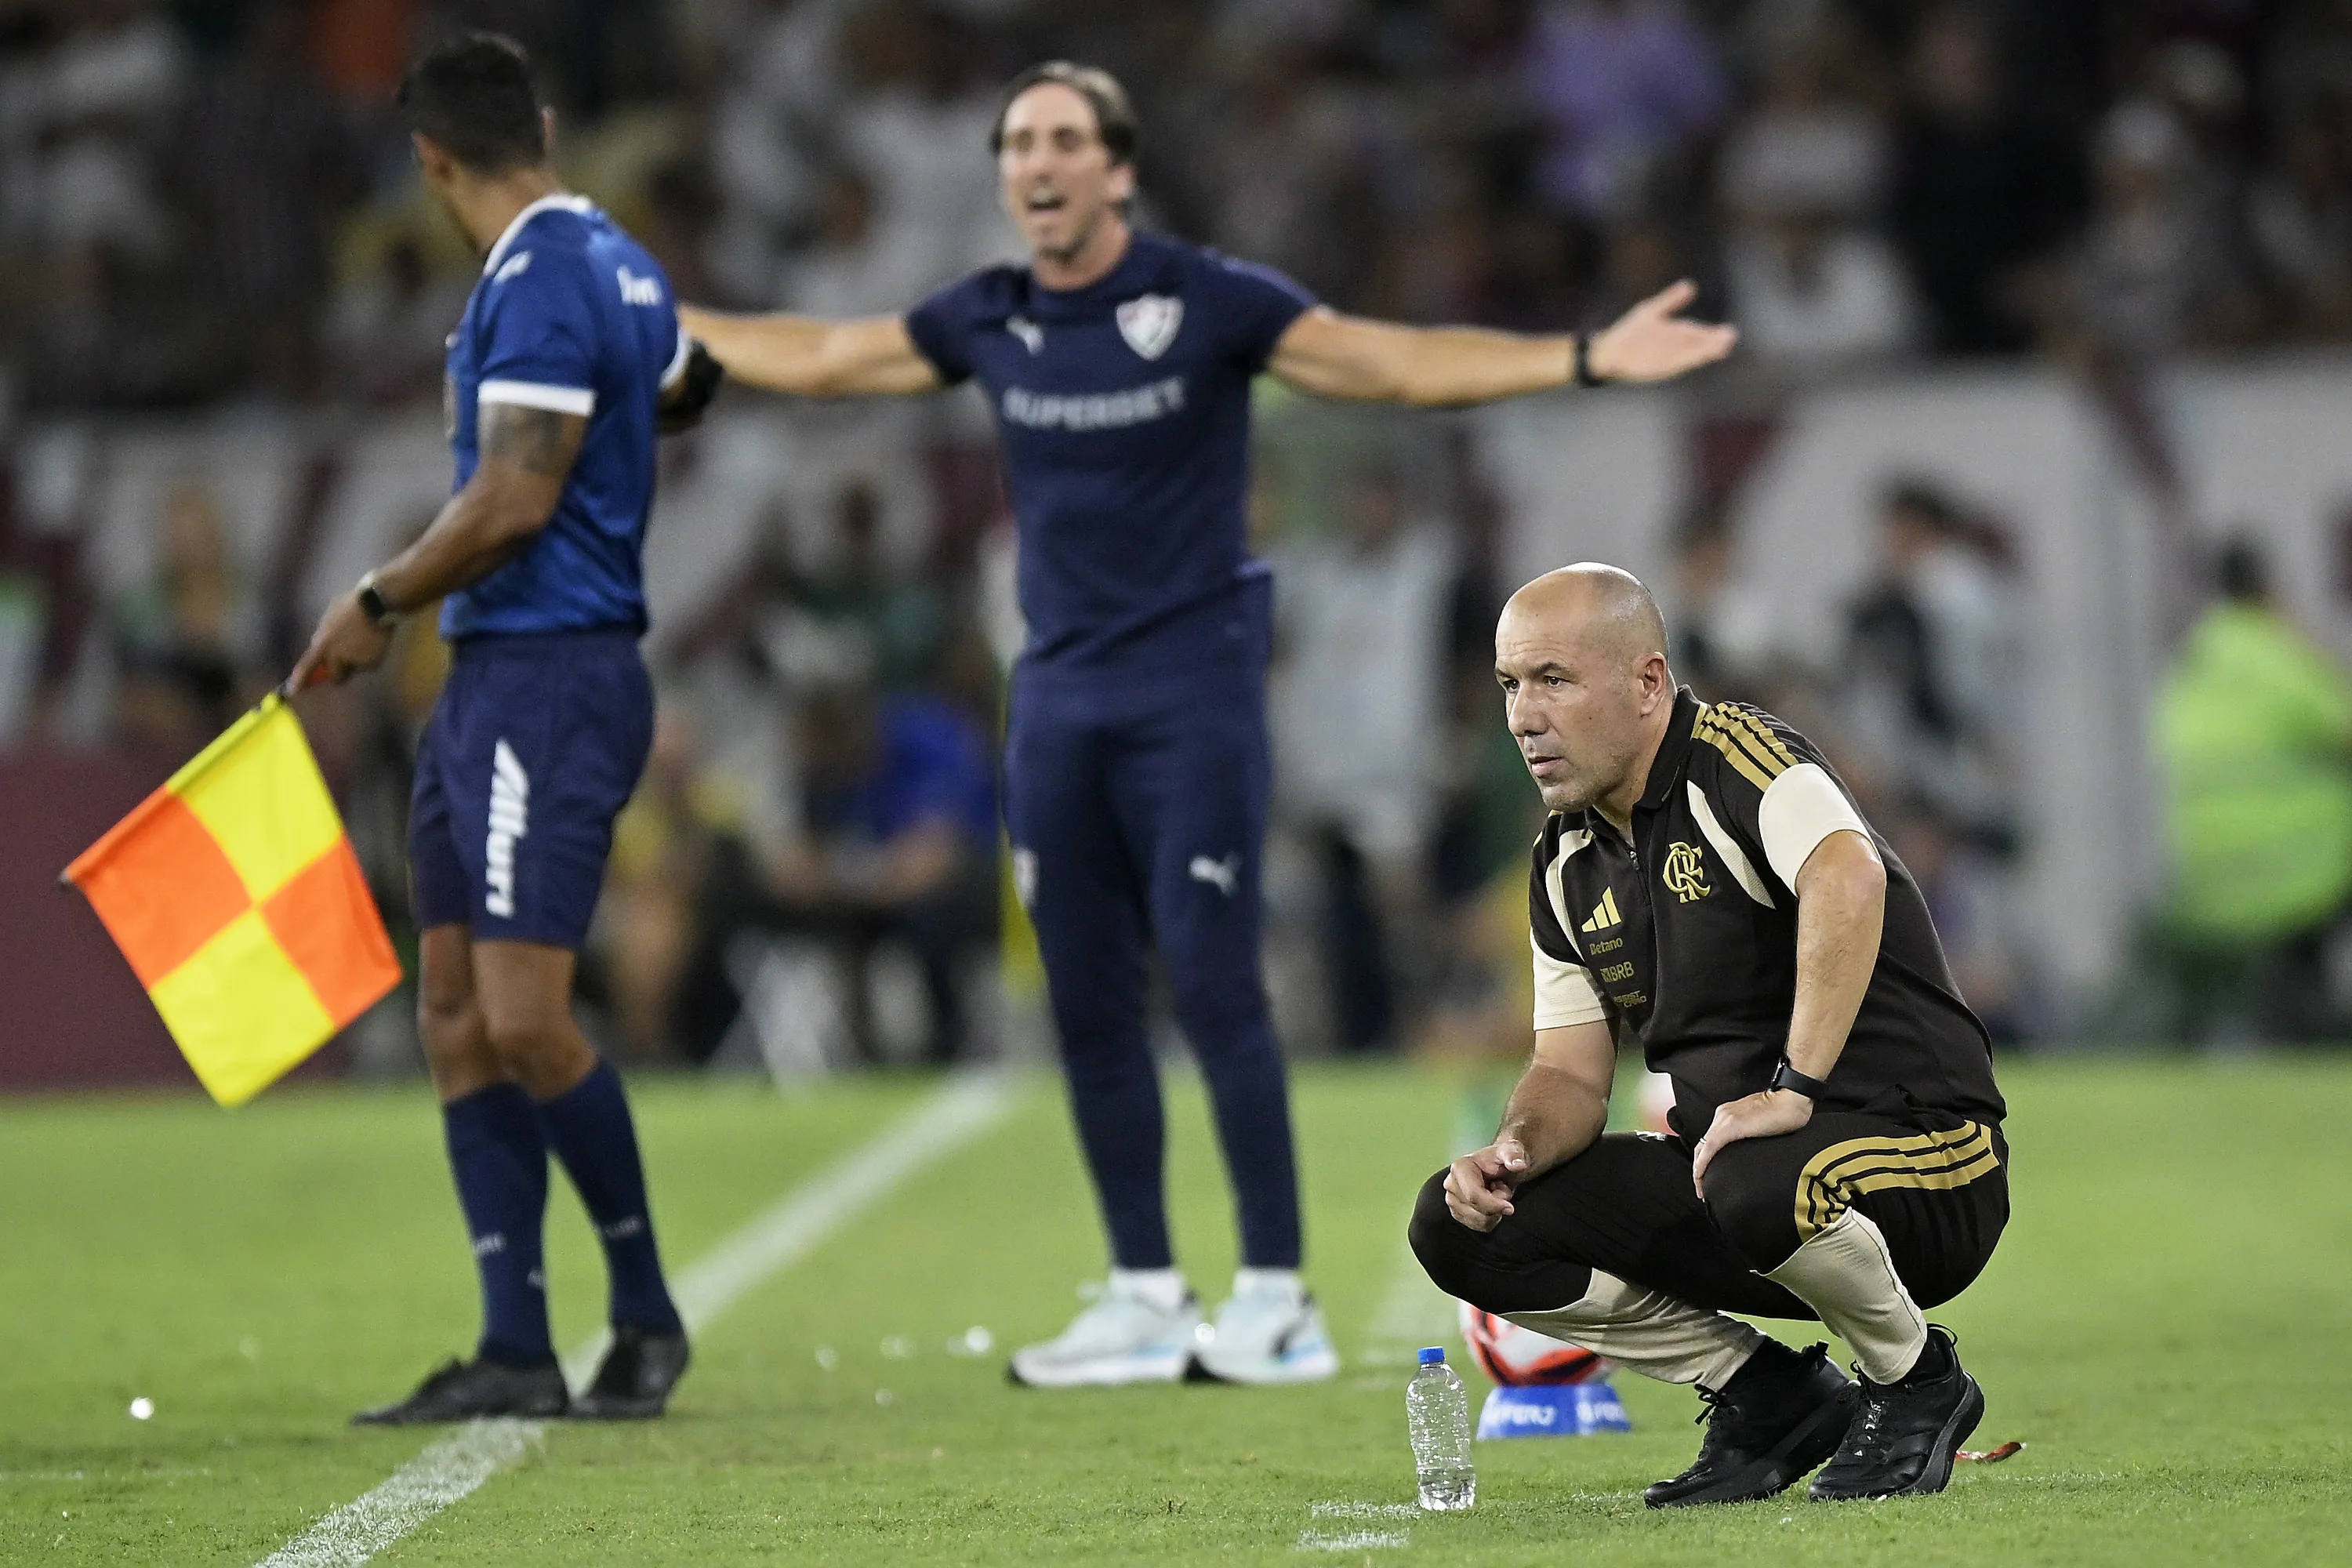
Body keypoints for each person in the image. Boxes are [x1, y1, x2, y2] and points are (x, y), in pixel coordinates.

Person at [681, 61, 1736, 1388]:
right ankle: (1137, 1290)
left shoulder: (1202, 302)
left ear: (1118, 169)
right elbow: (827, 354)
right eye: (1019, 143)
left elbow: (1388, 362)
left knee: (1217, 982)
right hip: (1056, 697)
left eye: (1066, 139)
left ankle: (1276, 1294)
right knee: (1089, 997)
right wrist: (654, 320)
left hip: (1192, 694)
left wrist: (1582, 356)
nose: (1039, 162)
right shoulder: (991, 316)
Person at [290, 31, 720, 1424]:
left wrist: (376, 598)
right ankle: (515, 1347)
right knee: (455, 1011)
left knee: (528, 1018)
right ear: (539, 122)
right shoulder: (617, 259)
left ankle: (646, 1319)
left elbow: (516, 498)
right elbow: (685, 381)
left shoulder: (537, 279)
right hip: (497, 679)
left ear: (428, 163)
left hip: (546, 672)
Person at [1410, 564, 2007, 1505]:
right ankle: (1768, 1392)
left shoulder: (1738, 755)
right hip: (1749, 1190)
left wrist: (1794, 1086)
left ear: (1648, 683)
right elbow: (1570, 1069)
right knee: (1460, 1226)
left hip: (1927, 1159)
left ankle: (1917, 1379)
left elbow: (1848, 875)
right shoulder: (1564, 859)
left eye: (1554, 679)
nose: (1525, 714)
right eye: (1510, 684)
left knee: (1753, 1167)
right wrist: (1516, 1148)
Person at [2153, 537, 2352, 1041]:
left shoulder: (2195, 660)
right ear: (2268, 588)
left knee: (2289, 965)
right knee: (2301, 952)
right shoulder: (2276, 653)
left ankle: (2274, 1035)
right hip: (2301, 856)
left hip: (2215, 862)